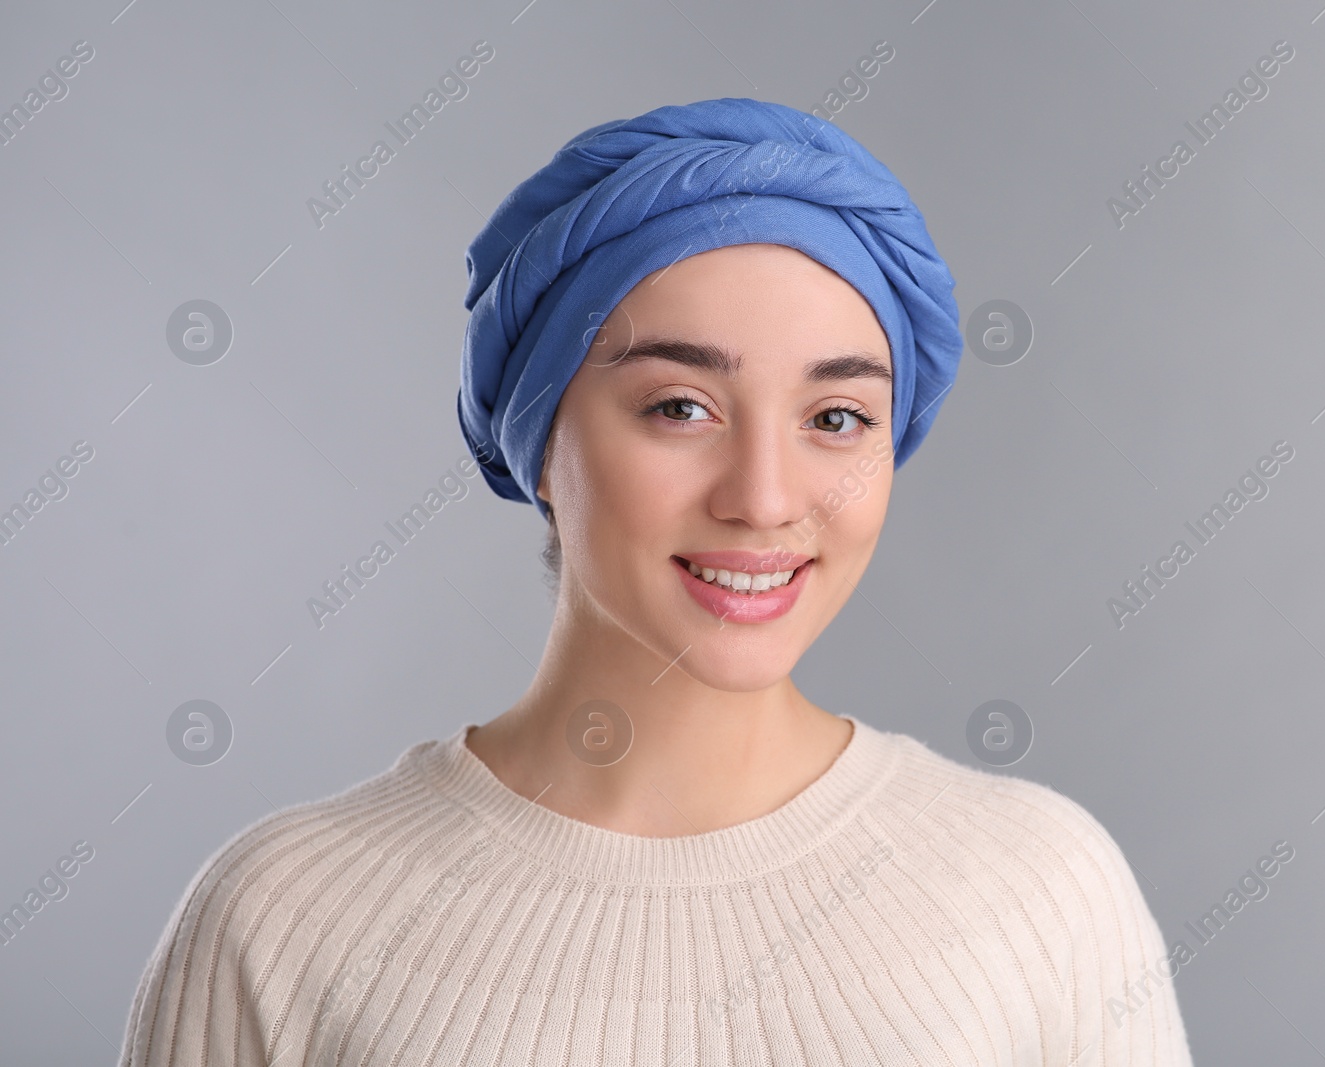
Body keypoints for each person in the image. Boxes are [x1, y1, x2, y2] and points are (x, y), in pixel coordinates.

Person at [119, 97, 1192, 1066]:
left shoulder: (1040, 889)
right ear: (538, 442)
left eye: (835, 419)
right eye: (680, 406)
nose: (765, 498)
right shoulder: (281, 921)